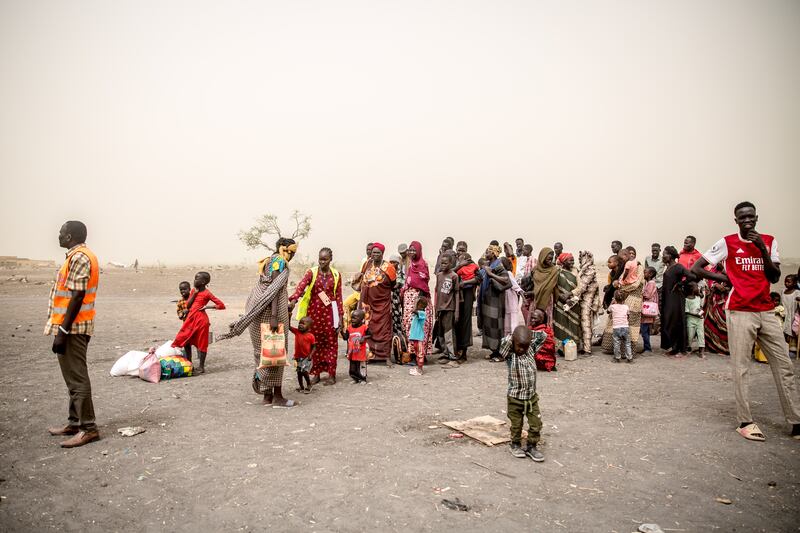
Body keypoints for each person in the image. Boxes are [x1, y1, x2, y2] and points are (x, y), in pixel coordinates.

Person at [692, 201, 800, 441]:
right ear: (736, 221)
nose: (747, 221)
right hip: (739, 310)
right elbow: (698, 267)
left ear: (756, 218)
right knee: (741, 368)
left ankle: (795, 421)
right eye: (742, 218)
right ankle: (745, 421)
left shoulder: (770, 241)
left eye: (750, 217)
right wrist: (723, 276)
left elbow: (774, 276)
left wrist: (761, 247)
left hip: (766, 311)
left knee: (784, 366)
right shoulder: (727, 242)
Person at [218, 237, 297, 408]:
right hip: (270, 314)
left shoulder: (270, 259)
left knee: (263, 353)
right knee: (275, 354)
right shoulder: (279, 261)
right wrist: (275, 316)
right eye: (291, 252)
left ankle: (267, 396)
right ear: (285, 250)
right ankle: (277, 397)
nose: (292, 255)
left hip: (258, 312)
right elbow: (274, 290)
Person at [45, 221, 101, 448]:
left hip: (74, 328)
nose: (58, 235)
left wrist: (63, 330)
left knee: (77, 378)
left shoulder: (80, 257)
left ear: (70, 236)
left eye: (61, 232)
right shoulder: (75, 256)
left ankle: (89, 428)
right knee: (72, 377)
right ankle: (75, 422)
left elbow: (77, 296)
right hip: (72, 326)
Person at [288, 248, 344, 386]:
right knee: (314, 343)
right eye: (320, 259)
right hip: (314, 314)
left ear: (330, 259)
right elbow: (301, 287)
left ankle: (331, 374)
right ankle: (316, 373)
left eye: (325, 259)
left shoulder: (336, 275)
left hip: (331, 314)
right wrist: (294, 300)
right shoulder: (312, 272)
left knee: (331, 343)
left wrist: (340, 319)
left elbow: (338, 297)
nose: (322, 262)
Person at [500, 325, 547, 461]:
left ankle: (531, 446)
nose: (522, 349)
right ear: (513, 342)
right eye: (519, 346)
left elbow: (543, 336)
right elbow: (504, 342)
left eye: (525, 346)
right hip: (515, 399)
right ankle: (515, 444)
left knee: (536, 423)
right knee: (516, 424)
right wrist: (516, 335)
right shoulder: (510, 355)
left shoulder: (530, 350)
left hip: (531, 398)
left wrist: (527, 334)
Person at [171, 271, 226, 373]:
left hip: (201, 321)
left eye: (197, 278)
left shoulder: (207, 293)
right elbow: (187, 305)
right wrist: (194, 294)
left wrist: (208, 306)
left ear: (203, 282)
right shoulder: (193, 291)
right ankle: (189, 363)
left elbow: (221, 305)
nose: (194, 280)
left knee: (202, 343)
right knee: (185, 340)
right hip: (190, 319)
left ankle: (201, 367)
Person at [358, 243, 397, 364]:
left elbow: (393, 284)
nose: (375, 255)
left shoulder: (388, 267)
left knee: (384, 330)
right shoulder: (367, 264)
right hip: (367, 305)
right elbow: (362, 278)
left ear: (382, 254)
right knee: (369, 329)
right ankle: (371, 355)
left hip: (382, 304)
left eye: (378, 253)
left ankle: (386, 357)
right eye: (373, 252)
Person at [402, 241, 434, 366]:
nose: (411, 252)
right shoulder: (410, 265)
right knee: (409, 326)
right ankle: (414, 354)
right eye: (410, 250)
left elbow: (423, 284)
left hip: (419, 300)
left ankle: (421, 356)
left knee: (420, 327)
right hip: (409, 299)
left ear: (419, 251)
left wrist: (418, 304)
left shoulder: (422, 265)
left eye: (414, 250)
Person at [480, 246, 511, 362]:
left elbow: (506, 281)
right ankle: (494, 351)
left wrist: (491, 274)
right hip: (487, 299)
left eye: (488, 251)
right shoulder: (488, 264)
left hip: (495, 300)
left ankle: (500, 353)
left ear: (494, 254)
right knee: (488, 325)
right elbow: (479, 277)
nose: (486, 253)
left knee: (496, 326)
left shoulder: (498, 265)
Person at [661, 245, 693, 356]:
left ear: (670, 256)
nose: (663, 255)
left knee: (673, 321)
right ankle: (674, 346)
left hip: (675, 298)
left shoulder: (678, 267)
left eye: (664, 253)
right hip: (668, 297)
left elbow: (691, 276)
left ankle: (677, 348)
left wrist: (680, 284)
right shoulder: (668, 267)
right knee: (668, 320)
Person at [435, 251, 461, 365]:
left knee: (448, 333)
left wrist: (457, 311)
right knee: (440, 333)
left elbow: (456, 294)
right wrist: (436, 308)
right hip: (440, 308)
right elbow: (437, 292)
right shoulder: (439, 275)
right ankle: (445, 353)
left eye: (445, 263)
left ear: (451, 263)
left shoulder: (454, 276)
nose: (443, 265)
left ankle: (453, 357)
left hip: (449, 308)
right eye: (442, 263)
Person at [553, 252, 583, 352]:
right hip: (561, 301)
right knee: (562, 323)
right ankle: (561, 348)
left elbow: (581, 287)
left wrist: (569, 294)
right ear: (563, 261)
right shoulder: (557, 271)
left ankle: (573, 347)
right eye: (570, 260)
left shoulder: (576, 271)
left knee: (573, 324)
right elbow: (554, 286)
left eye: (573, 260)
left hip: (573, 302)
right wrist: (561, 297)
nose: (572, 262)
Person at [573, 251, 601, 354]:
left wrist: (570, 293)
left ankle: (587, 349)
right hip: (582, 300)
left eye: (582, 257)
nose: (580, 259)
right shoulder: (583, 269)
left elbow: (582, 286)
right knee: (581, 325)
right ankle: (583, 347)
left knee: (586, 324)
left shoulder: (590, 270)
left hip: (588, 302)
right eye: (580, 257)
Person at [454, 253, 479, 361]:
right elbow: (448, 273)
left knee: (465, 321)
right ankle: (457, 348)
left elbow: (479, 278)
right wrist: (460, 265)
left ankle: (463, 350)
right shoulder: (457, 265)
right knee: (457, 321)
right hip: (457, 295)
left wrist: (465, 282)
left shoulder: (473, 266)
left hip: (467, 294)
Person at [703, 269, 730, 355]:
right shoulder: (714, 266)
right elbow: (709, 278)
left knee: (726, 322)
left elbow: (737, 279)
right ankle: (713, 346)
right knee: (711, 321)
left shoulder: (730, 264)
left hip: (728, 298)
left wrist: (723, 270)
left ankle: (726, 348)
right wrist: (715, 284)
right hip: (714, 300)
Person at [531, 247, 559, 327]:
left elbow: (553, 286)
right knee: (535, 319)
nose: (550, 260)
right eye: (548, 259)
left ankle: (547, 337)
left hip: (547, 300)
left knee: (546, 319)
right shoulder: (535, 269)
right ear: (542, 257)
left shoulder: (554, 270)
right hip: (536, 299)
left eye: (551, 259)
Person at [388, 254, 408, 363]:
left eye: (394, 262)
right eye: (391, 262)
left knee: (397, 324)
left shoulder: (400, 274)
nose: (392, 264)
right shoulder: (387, 272)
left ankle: (399, 351)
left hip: (396, 302)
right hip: (388, 302)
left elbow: (397, 285)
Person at [289, 317, 316, 393]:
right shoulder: (297, 332)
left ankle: (309, 384)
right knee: (299, 373)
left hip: (306, 358)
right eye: (299, 323)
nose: (300, 325)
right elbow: (289, 327)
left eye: (303, 324)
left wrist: (311, 355)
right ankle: (301, 386)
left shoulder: (311, 336)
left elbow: (314, 347)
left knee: (304, 372)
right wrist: (289, 316)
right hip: (298, 357)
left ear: (309, 327)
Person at [343, 309, 369, 383]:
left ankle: (363, 379)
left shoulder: (364, 327)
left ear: (361, 319)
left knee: (361, 367)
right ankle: (355, 378)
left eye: (355, 318)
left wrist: (363, 338)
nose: (352, 319)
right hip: (352, 352)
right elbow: (345, 338)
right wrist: (341, 331)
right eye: (352, 317)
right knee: (352, 368)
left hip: (361, 351)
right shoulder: (349, 327)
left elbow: (370, 335)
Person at [608, 291, 633, 363]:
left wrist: (612, 302)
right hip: (625, 327)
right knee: (627, 343)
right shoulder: (626, 307)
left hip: (616, 328)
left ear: (615, 298)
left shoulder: (612, 307)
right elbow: (628, 315)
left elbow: (608, 311)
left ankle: (617, 358)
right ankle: (629, 358)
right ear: (624, 299)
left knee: (616, 343)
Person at [408, 297, 429, 375]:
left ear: (421, 306)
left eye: (417, 304)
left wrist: (415, 303)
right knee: (417, 353)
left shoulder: (422, 313)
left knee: (420, 353)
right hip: (415, 337)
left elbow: (414, 310)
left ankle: (420, 369)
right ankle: (418, 368)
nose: (415, 305)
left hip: (419, 337)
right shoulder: (418, 313)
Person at [684, 282, 705, 358]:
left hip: (700, 320)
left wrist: (701, 311)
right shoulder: (686, 300)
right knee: (690, 335)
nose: (698, 288)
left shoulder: (698, 298)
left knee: (701, 335)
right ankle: (689, 348)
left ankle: (701, 351)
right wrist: (696, 314)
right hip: (691, 320)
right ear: (692, 289)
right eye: (696, 287)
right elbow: (686, 311)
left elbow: (700, 305)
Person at [780, 275, 800, 358]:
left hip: (793, 315)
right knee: (783, 330)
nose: (786, 283)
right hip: (784, 314)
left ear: (794, 283)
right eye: (785, 281)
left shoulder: (797, 292)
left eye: (789, 282)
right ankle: (783, 349)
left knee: (792, 331)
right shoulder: (783, 291)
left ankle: (792, 350)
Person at [641, 267, 659, 352]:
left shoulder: (651, 283)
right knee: (646, 330)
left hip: (647, 310)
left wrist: (641, 293)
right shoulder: (648, 283)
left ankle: (647, 348)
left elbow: (647, 295)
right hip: (648, 310)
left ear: (650, 274)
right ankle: (647, 347)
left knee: (644, 330)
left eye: (645, 272)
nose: (644, 274)